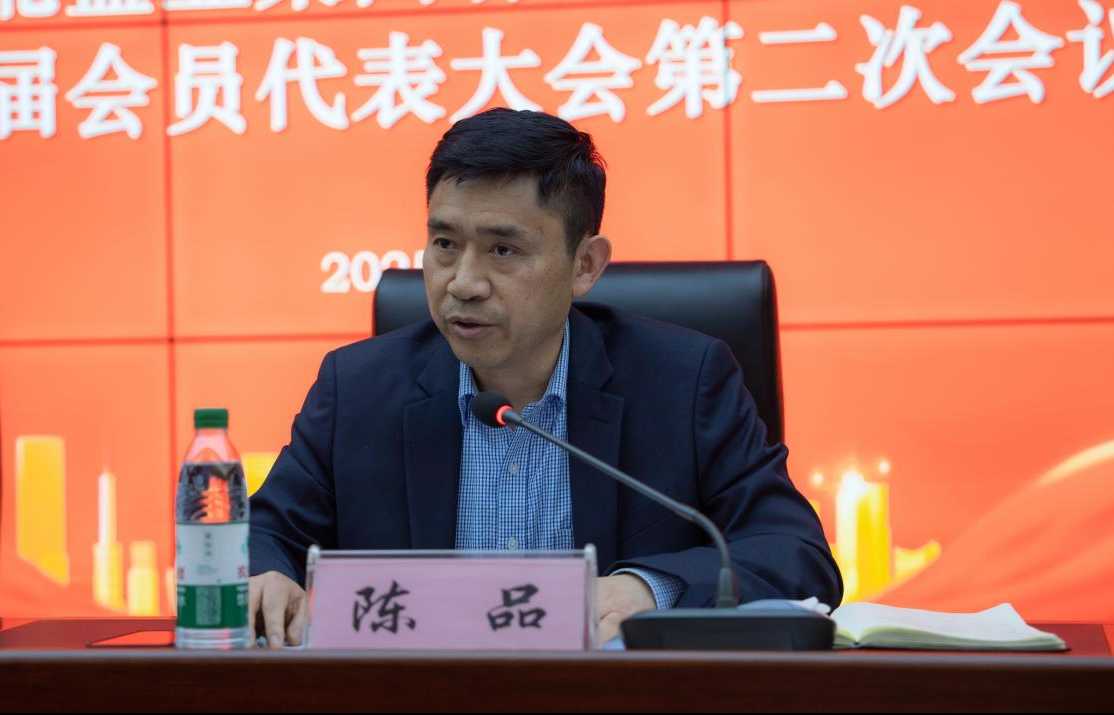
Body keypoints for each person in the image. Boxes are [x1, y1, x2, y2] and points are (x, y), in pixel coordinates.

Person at [248, 108, 842, 648]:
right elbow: (262, 533)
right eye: (445, 243)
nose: (463, 282)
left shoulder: (684, 383)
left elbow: (793, 553)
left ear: (585, 265)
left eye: (503, 251)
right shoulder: (357, 388)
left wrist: (646, 589)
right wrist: (265, 575)